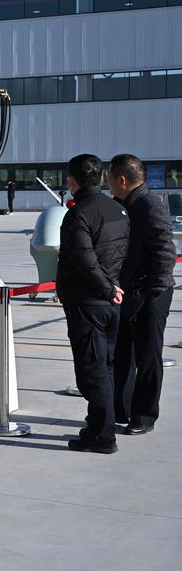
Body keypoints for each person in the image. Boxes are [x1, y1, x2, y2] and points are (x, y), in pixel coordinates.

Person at [57, 154, 129, 454]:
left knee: (92, 370)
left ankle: (102, 437)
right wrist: (113, 288)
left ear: (72, 181)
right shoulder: (117, 209)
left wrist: (105, 288)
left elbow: (85, 261)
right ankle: (99, 425)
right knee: (107, 367)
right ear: (101, 178)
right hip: (111, 301)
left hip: (90, 302)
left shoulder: (78, 214)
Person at [108, 154, 176, 435]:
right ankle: (122, 409)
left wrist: (152, 291)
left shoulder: (148, 204)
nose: (107, 183)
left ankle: (145, 415)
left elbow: (165, 251)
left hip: (149, 294)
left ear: (121, 180)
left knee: (148, 356)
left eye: (110, 178)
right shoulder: (124, 204)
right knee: (123, 354)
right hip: (128, 293)